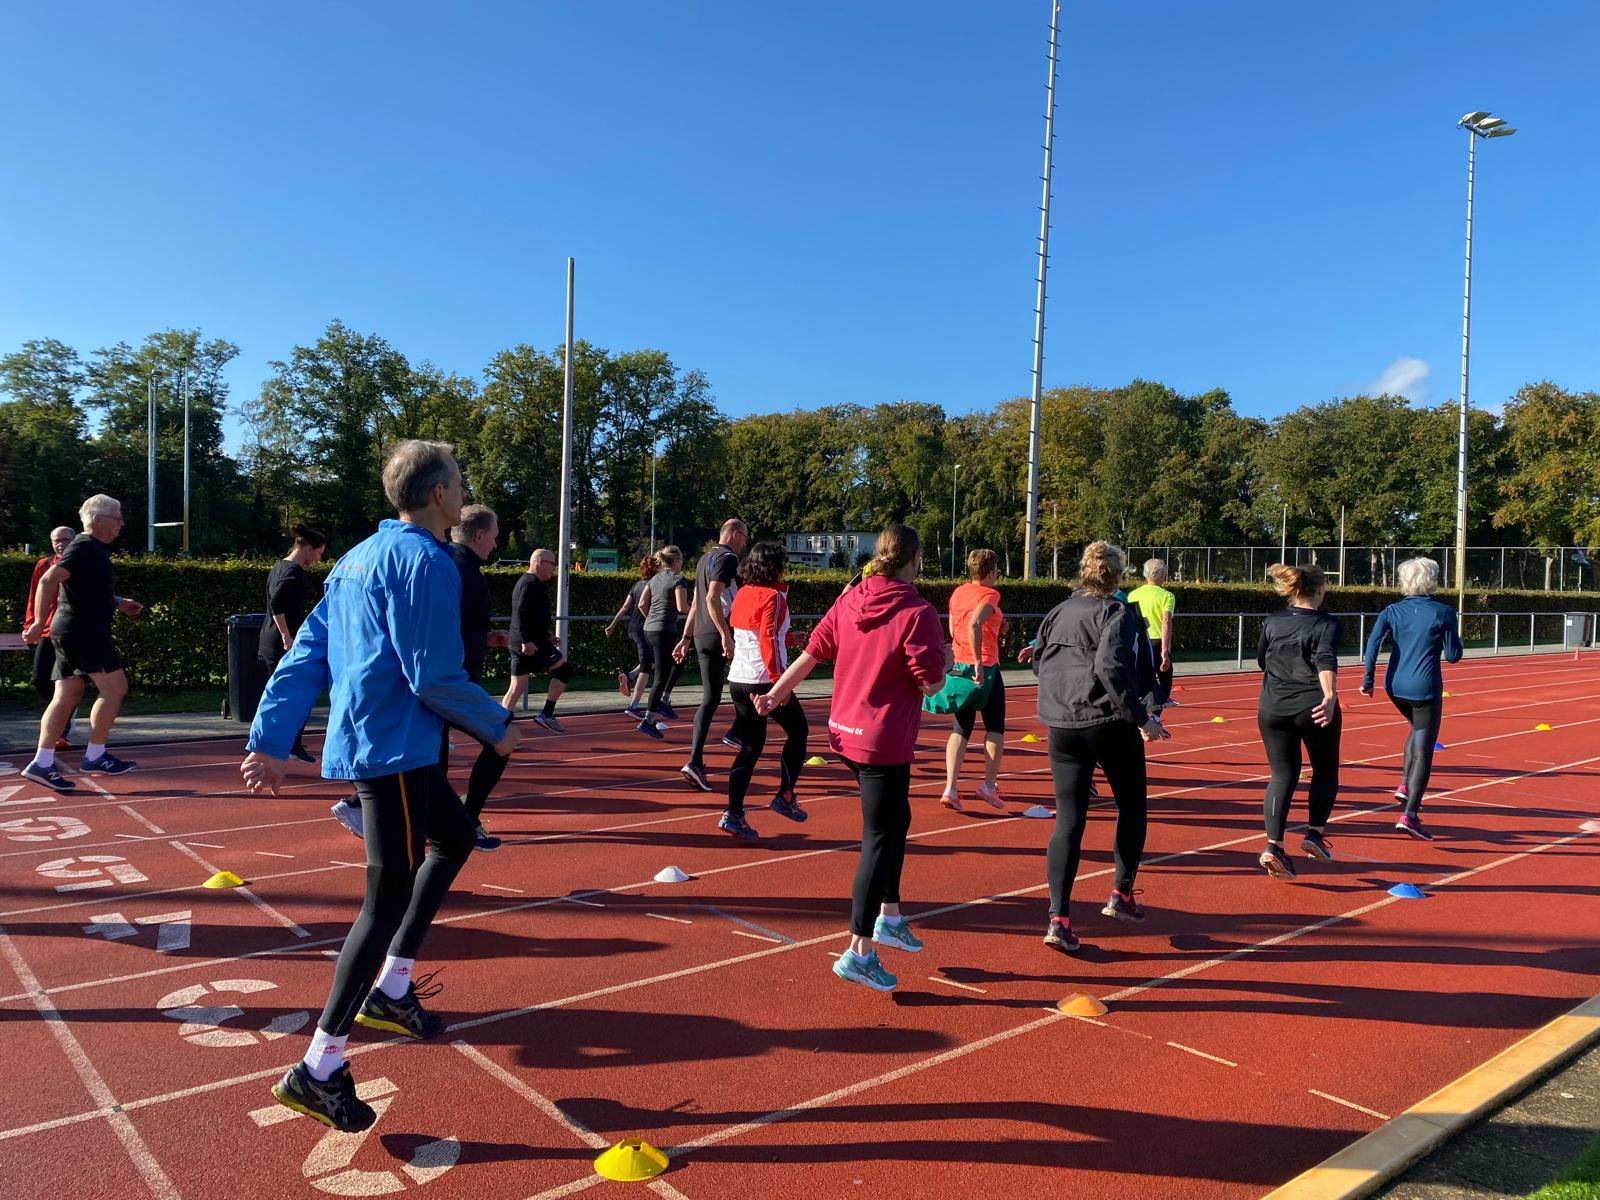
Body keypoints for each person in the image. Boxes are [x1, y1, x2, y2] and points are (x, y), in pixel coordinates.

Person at [241, 439, 518, 1133]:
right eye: (458, 481)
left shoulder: (357, 557)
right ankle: (320, 1066)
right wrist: (498, 725)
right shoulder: (425, 561)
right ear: (437, 495)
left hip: (397, 742)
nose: (462, 490)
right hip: (390, 747)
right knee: (386, 894)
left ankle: (393, 991)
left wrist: (272, 740)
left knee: (453, 839)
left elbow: (309, 652)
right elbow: (431, 674)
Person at [755, 524, 945, 992]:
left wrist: (776, 693)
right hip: (882, 740)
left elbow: (812, 652)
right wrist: (952, 667)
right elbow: (930, 683)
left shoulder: (851, 599)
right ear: (914, 559)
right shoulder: (917, 611)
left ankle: (891, 915)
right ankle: (860, 948)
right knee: (879, 837)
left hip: (846, 732)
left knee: (896, 820)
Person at [1033, 541, 1170, 955]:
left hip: (1061, 724)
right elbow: (1111, 667)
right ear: (1118, 575)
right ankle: (1122, 894)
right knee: (1132, 805)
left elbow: (1038, 660)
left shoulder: (1059, 610)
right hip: (1106, 722)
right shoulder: (1118, 612)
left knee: (1069, 821)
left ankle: (1059, 918)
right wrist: (1141, 717)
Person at [21, 496, 144, 793]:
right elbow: (49, 579)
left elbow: (81, 589)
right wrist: (38, 622)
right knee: (115, 688)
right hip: (84, 632)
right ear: (97, 518)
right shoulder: (84, 545)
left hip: (74, 630)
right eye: (117, 517)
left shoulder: (93, 550)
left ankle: (42, 761)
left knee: (68, 693)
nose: (121, 524)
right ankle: (95, 755)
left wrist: (116, 603)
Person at [1360, 556, 1463, 841]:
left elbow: (1372, 644)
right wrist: (1452, 635)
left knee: (1416, 730)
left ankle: (1404, 785)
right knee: (1424, 749)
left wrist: (1367, 680)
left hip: (1394, 686)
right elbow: (1454, 656)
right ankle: (1411, 815)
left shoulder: (1391, 611)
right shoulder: (1444, 612)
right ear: (1432, 580)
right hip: (1425, 687)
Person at [1255, 563, 1342, 879]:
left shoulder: (1272, 621)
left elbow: (1261, 659)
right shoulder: (1326, 624)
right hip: (1312, 706)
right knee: (1326, 768)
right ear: (1320, 590)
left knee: (1281, 775)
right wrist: (1330, 696)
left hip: (1272, 708)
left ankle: (1273, 846)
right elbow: (1326, 657)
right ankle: (1314, 834)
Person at [721, 540, 809, 839]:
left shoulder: (743, 593)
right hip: (764, 679)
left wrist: (788, 639)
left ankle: (733, 814)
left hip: (739, 679)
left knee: (750, 747)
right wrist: (779, 684)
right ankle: (785, 795)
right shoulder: (773, 597)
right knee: (799, 732)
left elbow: (756, 636)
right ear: (774, 567)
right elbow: (767, 640)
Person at [444, 505, 514, 851]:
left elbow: (451, 625)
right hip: (448, 682)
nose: (497, 543)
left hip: (447, 676)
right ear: (479, 535)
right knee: (503, 734)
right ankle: (465, 820)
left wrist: (484, 639)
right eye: (495, 535)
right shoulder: (463, 571)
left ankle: (447, 824)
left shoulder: (449, 564)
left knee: (432, 757)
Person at [677, 519, 749, 790]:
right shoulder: (728, 558)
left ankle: (696, 760)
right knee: (757, 679)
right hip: (721, 632)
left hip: (702, 633)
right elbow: (711, 597)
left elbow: (696, 603)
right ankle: (736, 732)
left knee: (711, 698)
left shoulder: (703, 559)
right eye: (744, 537)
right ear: (732, 534)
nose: (745, 543)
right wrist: (726, 635)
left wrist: (685, 637)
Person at [941, 549, 1007, 812]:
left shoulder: (959, 592)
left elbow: (955, 625)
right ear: (990, 572)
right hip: (985, 666)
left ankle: (950, 787)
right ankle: (988, 785)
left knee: (961, 728)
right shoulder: (990, 593)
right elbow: (974, 624)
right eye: (997, 571)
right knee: (995, 728)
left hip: (960, 664)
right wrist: (979, 660)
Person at [259, 524, 328, 764]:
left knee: (283, 693)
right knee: (295, 693)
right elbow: (276, 604)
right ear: (308, 548)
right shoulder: (293, 572)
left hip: (270, 640)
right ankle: (284, 745)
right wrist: (287, 636)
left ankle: (290, 743)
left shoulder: (279, 565)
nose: (319, 559)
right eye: (319, 553)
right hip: (282, 642)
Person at [501, 549, 576, 733]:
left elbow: (532, 616)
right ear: (540, 562)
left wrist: (546, 634)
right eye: (552, 564)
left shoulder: (530, 582)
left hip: (528, 641)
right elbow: (521, 613)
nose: (554, 569)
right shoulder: (529, 584)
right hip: (529, 643)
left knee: (516, 686)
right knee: (564, 670)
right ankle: (546, 714)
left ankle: (499, 729)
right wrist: (527, 641)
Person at [23, 526, 77, 749]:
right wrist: (30, 624)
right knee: (40, 678)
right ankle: (65, 711)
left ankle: (60, 732)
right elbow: (35, 594)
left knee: (65, 682)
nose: (60, 544)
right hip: (46, 630)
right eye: (56, 540)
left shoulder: (81, 563)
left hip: (71, 631)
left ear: (74, 540)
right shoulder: (44, 565)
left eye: (65, 539)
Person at [636, 545, 691, 739]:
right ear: (676, 561)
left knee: (678, 661)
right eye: (681, 561)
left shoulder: (653, 579)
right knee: (661, 675)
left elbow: (642, 603)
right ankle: (649, 719)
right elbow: (682, 606)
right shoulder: (678, 579)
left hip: (649, 629)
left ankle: (664, 700)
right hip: (663, 630)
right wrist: (698, 610)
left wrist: (651, 617)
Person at [606, 555, 659, 720]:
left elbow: (625, 607)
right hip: (644, 630)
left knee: (655, 661)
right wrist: (653, 619)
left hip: (633, 629)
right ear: (655, 569)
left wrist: (613, 625)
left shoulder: (636, 585)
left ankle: (629, 676)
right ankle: (633, 706)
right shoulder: (653, 585)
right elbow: (641, 606)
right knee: (646, 668)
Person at [1127, 558, 1178, 709]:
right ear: (1162, 574)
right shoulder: (1167, 596)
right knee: (1165, 677)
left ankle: (1141, 710)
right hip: (1156, 640)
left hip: (1139, 641)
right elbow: (1166, 621)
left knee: (1142, 676)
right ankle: (1157, 714)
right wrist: (1165, 651)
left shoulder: (1133, 595)